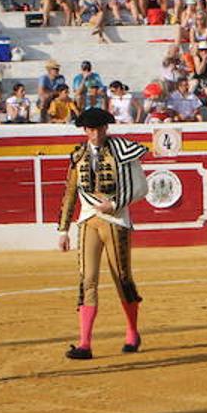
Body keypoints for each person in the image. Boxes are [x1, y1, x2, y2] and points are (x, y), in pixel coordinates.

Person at [56, 107, 149, 360]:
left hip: (116, 220)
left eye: (99, 129)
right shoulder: (78, 156)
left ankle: (132, 332)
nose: (95, 134)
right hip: (88, 220)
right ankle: (84, 343)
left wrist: (115, 203)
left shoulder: (122, 152)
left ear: (106, 129)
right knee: (88, 280)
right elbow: (70, 193)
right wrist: (63, 229)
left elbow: (141, 187)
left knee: (122, 278)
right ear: (85, 130)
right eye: (91, 129)